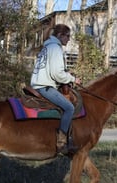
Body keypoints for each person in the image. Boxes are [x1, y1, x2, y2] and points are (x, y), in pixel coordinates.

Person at [30, 24, 81, 155]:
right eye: (67, 36)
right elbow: (57, 74)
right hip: (44, 86)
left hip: (38, 83)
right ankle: (61, 143)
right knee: (69, 108)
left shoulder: (47, 47)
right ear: (60, 35)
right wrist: (72, 79)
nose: (69, 39)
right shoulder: (56, 48)